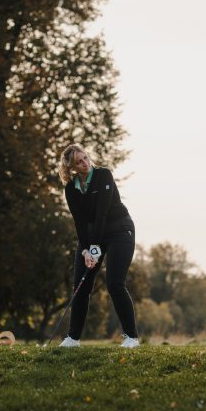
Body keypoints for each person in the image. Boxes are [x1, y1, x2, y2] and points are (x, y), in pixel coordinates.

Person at [58, 143, 139, 348]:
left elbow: (102, 213)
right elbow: (80, 222)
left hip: (120, 230)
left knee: (114, 283)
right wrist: (86, 250)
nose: (86, 163)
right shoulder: (71, 189)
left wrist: (93, 248)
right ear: (71, 168)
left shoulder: (104, 175)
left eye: (85, 157)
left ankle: (131, 337)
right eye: (79, 162)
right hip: (93, 236)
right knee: (81, 286)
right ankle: (73, 339)